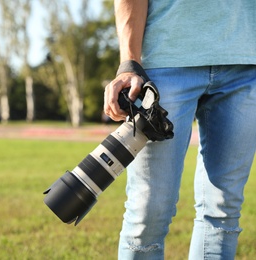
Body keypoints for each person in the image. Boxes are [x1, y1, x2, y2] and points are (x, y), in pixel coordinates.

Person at [104, 0, 256, 259]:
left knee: (224, 210)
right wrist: (129, 61)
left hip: (245, 62)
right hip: (165, 58)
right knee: (148, 212)